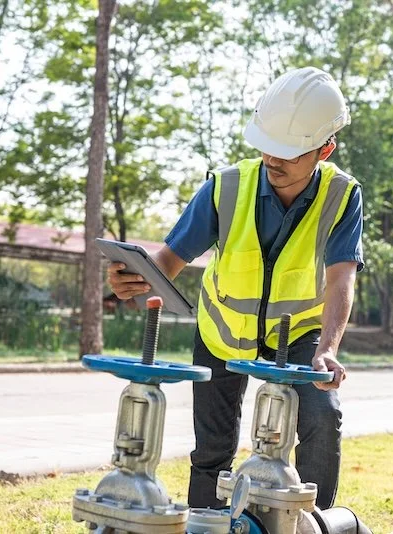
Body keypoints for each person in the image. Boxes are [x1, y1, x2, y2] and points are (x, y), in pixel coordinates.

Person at [107, 66, 364, 510]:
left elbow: (341, 277)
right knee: (213, 451)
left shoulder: (343, 195)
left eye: (289, 152)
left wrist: (328, 347)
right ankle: (207, 522)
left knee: (324, 417)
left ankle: (310, 522)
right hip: (221, 331)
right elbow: (168, 262)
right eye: (267, 147)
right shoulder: (226, 187)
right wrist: (132, 280)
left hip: (301, 334)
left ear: (325, 149)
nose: (273, 160)